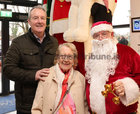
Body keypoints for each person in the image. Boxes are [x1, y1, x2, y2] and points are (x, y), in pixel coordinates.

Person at [3, 5, 58, 114]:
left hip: (50, 101)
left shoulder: (54, 42)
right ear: (29, 21)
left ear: (46, 21)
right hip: (27, 104)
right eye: (35, 18)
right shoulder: (18, 43)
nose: (39, 21)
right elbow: (8, 69)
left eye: (42, 18)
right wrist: (34, 75)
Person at [85, 21, 140, 114]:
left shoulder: (127, 51)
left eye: (104, 34)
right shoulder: (91, 58)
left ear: (112, 34)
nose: (100, 38)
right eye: (96, 35)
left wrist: (127, 86)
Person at [32, 43, 88, 114]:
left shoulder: (80, 78)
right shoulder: (46, 75)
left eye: (70, 57)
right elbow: (36, 109)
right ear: (57, 58)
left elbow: (85, 107)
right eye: (63, 56)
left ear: (74, 60)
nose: (66, 60)